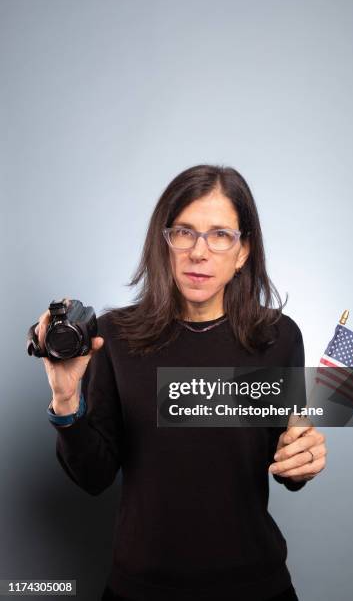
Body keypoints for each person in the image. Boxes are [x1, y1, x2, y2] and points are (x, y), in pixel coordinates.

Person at [37, 164, 327, 601]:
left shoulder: (279, 337)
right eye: (184, 232)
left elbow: (287, 461)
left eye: (220, 235)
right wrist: (65, 401)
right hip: (141, 586)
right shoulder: (113, 336)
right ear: (165, 242)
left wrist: (303, 455)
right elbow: (93, 477)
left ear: (243, 251)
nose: (199, 251)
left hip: (255, 584)